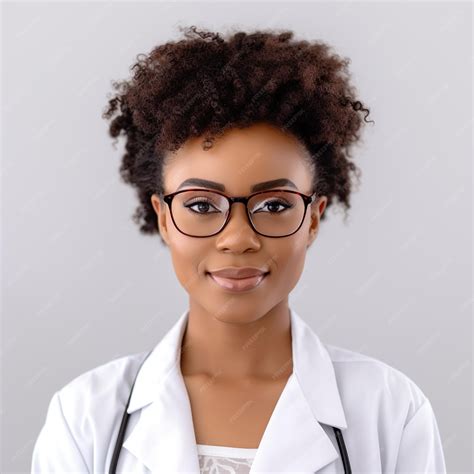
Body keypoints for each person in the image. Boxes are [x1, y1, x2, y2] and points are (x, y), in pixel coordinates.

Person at [31, 26, 447, 473]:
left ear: (312, 218)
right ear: (163, 217)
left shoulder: (392, 412)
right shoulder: (85, 418)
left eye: (273, 205)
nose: (237, 238)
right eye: (201, 205)